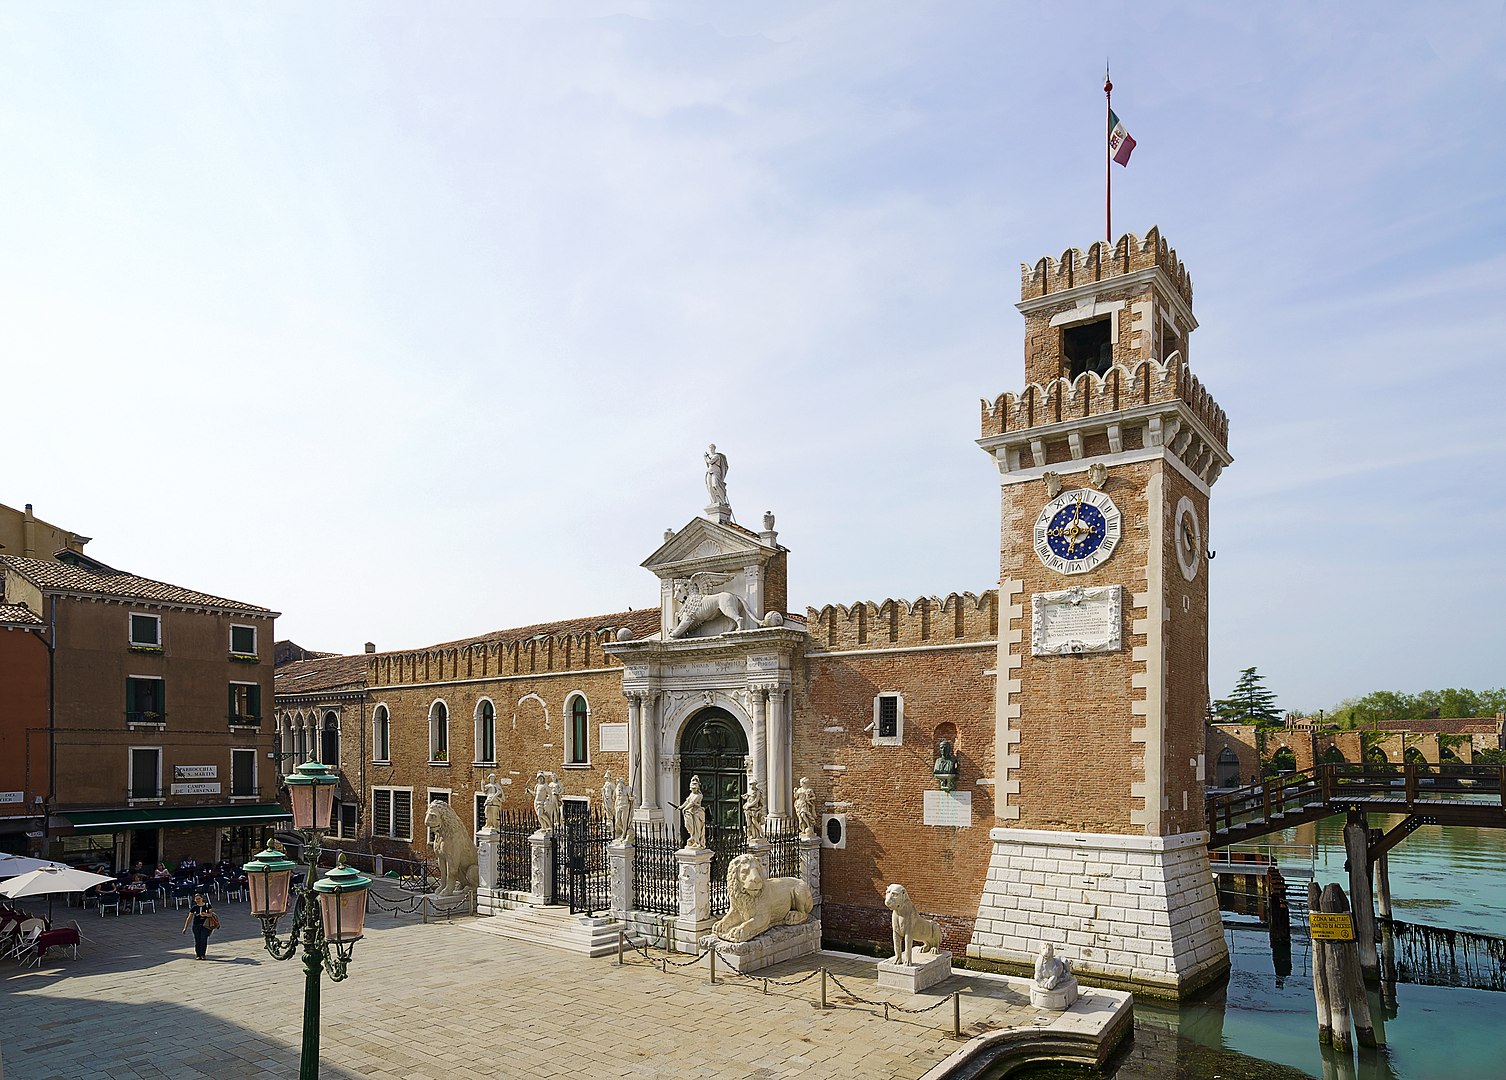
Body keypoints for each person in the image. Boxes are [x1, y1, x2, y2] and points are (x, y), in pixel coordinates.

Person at [183, 892, 216, 960]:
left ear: (202, 898)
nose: (198, 900)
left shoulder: (207, 906)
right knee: (197, 940)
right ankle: (198, 955)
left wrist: (205, 915)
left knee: (203, 940)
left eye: (199, 898)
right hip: (196, 925)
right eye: (196, 899)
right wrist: (185, 928)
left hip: (205, 925)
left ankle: (203, 954)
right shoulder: (194, 907)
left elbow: (211, 914)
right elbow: (189, 917)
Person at [682, 776, 707, 849]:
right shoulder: (691, 794)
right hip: (690, 813)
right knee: (688, 826)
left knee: (697, 828)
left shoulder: (699, 795)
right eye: (692, 788)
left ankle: (697, 842)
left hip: (697, 814)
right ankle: (692, 838)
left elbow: (692, 803)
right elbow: (687, 801)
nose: (693, 790)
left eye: (695, 788)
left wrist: (684, 809)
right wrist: (681, 807)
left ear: (698, 788)